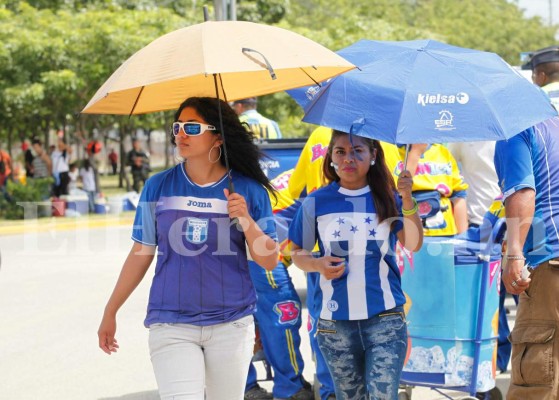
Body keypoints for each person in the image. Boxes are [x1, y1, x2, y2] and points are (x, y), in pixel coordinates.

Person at [97, 97, 279, 400]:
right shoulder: (158, 186)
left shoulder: (248, 190)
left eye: (191, 127)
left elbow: (269, 260)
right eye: (177, 126)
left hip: (231, 324)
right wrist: (110, 310)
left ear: (217, 135)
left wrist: (246, 218)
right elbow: (141, 253)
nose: (180, 134)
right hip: (171, 322)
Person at [289, 130, 423, 399]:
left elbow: (413, 243)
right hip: (335, 324)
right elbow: (297, 253)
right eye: (340, 152)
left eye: (357, 151)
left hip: (385, 318)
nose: (348, 158)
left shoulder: (389, 198)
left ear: (373, 155)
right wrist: (317, 265)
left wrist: (407, 199)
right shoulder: (316, 201)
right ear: (330, 157)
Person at [494, 116, 559, 400]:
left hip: (550, 262)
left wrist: (514, 254)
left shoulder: (514, 130)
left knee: (535, 379)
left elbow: (522, 191)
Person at [244, 169, 313, 400]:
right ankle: (290, 387)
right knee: (283, 311)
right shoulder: (325, 184)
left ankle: (244, 386)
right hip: (262, 246)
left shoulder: (303, 171)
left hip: (247, 242)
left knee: (241, 317)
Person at [287, 126, 336, 400]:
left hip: (318, 250)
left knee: (322, 321)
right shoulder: (379, 135)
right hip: (369, 254)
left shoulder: (318, 135)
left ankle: (329, 391)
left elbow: (295, 189)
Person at [382, 143, 469, 237]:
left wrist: (463, 237)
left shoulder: (442, 152)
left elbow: (458, 196)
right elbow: (400, 189)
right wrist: (415, 152)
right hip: (408, 234)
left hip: (445, 232)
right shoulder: (389, 150)